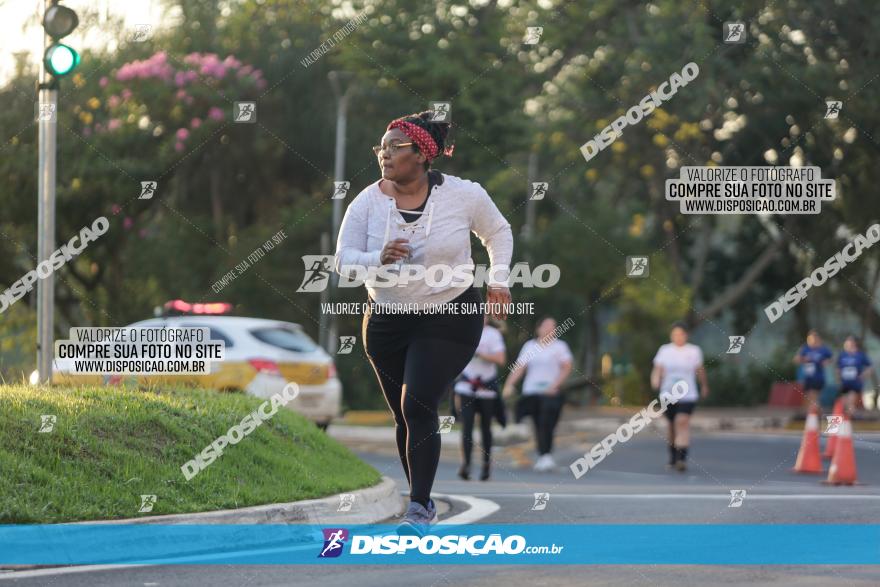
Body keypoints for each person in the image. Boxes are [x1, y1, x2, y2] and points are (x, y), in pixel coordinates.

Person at [335, 111, 513, 536]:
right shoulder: (366, 201)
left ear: (422, 153)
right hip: (387, 319)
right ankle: (421, 496)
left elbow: (499, 232)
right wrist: (377, 258)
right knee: (403, 413)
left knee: (417, 403)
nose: (384, 154)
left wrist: (500, 280)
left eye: (394, 147)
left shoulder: (464, 195)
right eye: (381, 147)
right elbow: (343, 262)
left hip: (449, 314)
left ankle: (417, 506)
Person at [503, 317, 573, 472]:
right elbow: (520, 368)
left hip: (551, 392)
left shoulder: (560, 347)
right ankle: (544, 456)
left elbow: (567, 367)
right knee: (539, 422)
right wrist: (509, 384)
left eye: (553, 326)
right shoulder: (530, 346)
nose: (550, 329)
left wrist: (555, 385)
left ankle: (545, 454)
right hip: (532, 392)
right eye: (547, 326)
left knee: (549, 423)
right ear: (539, 328)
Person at [453, 315, 507, 481]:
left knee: (486, 428)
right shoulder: (463, 331)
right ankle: (466, 464)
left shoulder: (493, 334)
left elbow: (501, 359)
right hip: (466, 386)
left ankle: (486, 466)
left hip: (486, 387)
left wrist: (481, 354)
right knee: (467, 426)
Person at [650, 322, 709, 472]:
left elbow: (700, 370)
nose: (678, 337)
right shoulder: (665, 350)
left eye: (681, 334)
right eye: (675, 334)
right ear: (671, 335)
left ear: (686, 335)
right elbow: (658, 368)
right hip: (668, 394)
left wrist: (704, 385)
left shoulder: (694, 351)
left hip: (688, 394)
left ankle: (682, 460)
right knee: (671, 427)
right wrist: (655, 379)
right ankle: (673, 457)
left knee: (681, 422)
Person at [793, 329, 833, 414]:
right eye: (810, 340)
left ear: (818, 339)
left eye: (815, 339)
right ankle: (814, 413)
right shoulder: (805, 349)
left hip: (818, 377)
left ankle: (813, 413)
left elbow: (831, 358)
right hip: (807, 377)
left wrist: (826, 362)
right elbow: (796, 360)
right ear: (808, 340)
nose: (813, 342)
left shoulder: (823, 349)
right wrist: (803, 359)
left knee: (813, 394)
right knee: (810, 396)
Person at [836, 335, 872, 415]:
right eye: (847, 344)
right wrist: (838, 378)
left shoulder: (860, 355)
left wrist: (863, 375)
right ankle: (848, 419)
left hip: (855, 383)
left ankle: (850, 420)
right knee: (844, 403)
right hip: (844, 383)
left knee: (850, 402)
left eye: (850, 343)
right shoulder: (842, 355)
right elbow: (838, 368)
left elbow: (869, 367)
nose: (848, 345)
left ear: (854, 344)